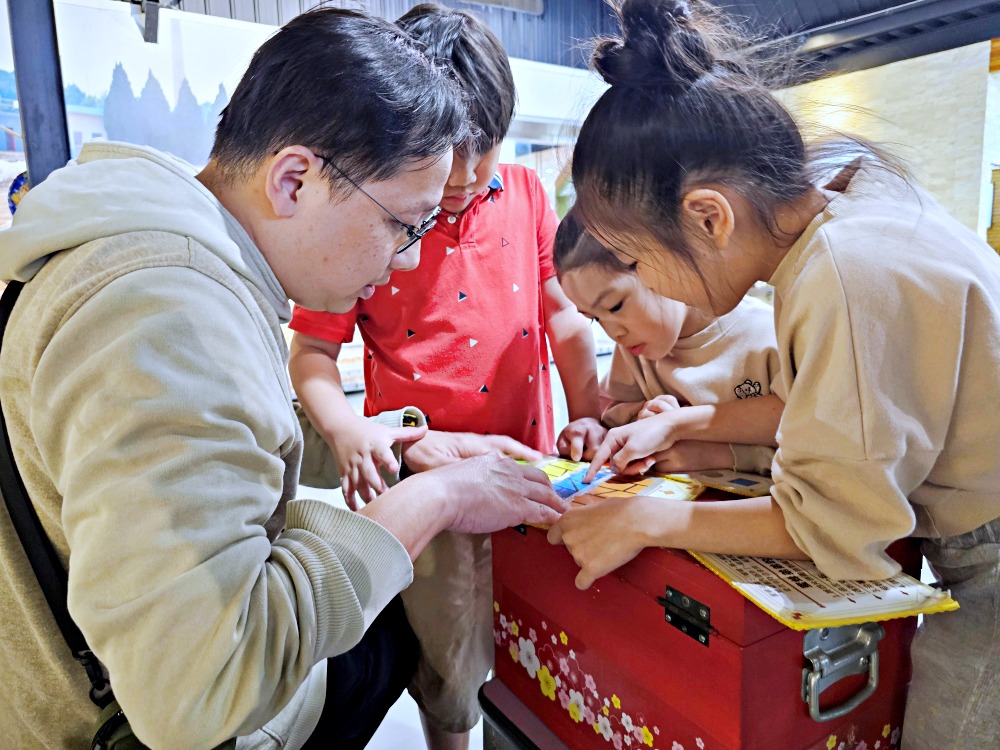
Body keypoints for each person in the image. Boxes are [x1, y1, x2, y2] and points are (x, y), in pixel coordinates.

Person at [0, 9, 567, 750]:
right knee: (401, 620)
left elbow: (236, 421)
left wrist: (406, 449)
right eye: (405, 224)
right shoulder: (164, 315)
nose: (403, 260)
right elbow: (197, 696)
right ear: (295, 179)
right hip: (105, 724)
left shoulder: (156, 248)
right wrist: (436, 497)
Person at [552, 1, 1000, 747]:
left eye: (634, 262)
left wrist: (645, 516)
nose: (643, 292)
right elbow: (825, 412)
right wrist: (691, 427)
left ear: (708, 218)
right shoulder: (849, 208)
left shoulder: (842, 278)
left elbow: (829, 524)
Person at [287, 7, 599, 749]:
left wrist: (591, 406)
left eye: (479, 152)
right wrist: (345, 425)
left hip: (534, 474)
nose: (459, 180)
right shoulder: (376, 219)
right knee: (450, 659)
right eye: (440, 156)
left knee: (541, 639)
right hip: (432, 495)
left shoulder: (524, 195)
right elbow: (313, 356)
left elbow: (564, 313)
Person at [554, 210, 783, 473]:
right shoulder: (634, 347)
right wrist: (600, 428)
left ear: (664, 262)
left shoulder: (767, 332)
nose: (613, 333)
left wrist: (726, 455)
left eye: (615, 306)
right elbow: (613, 415)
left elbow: (819, 451)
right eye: (594, 318)